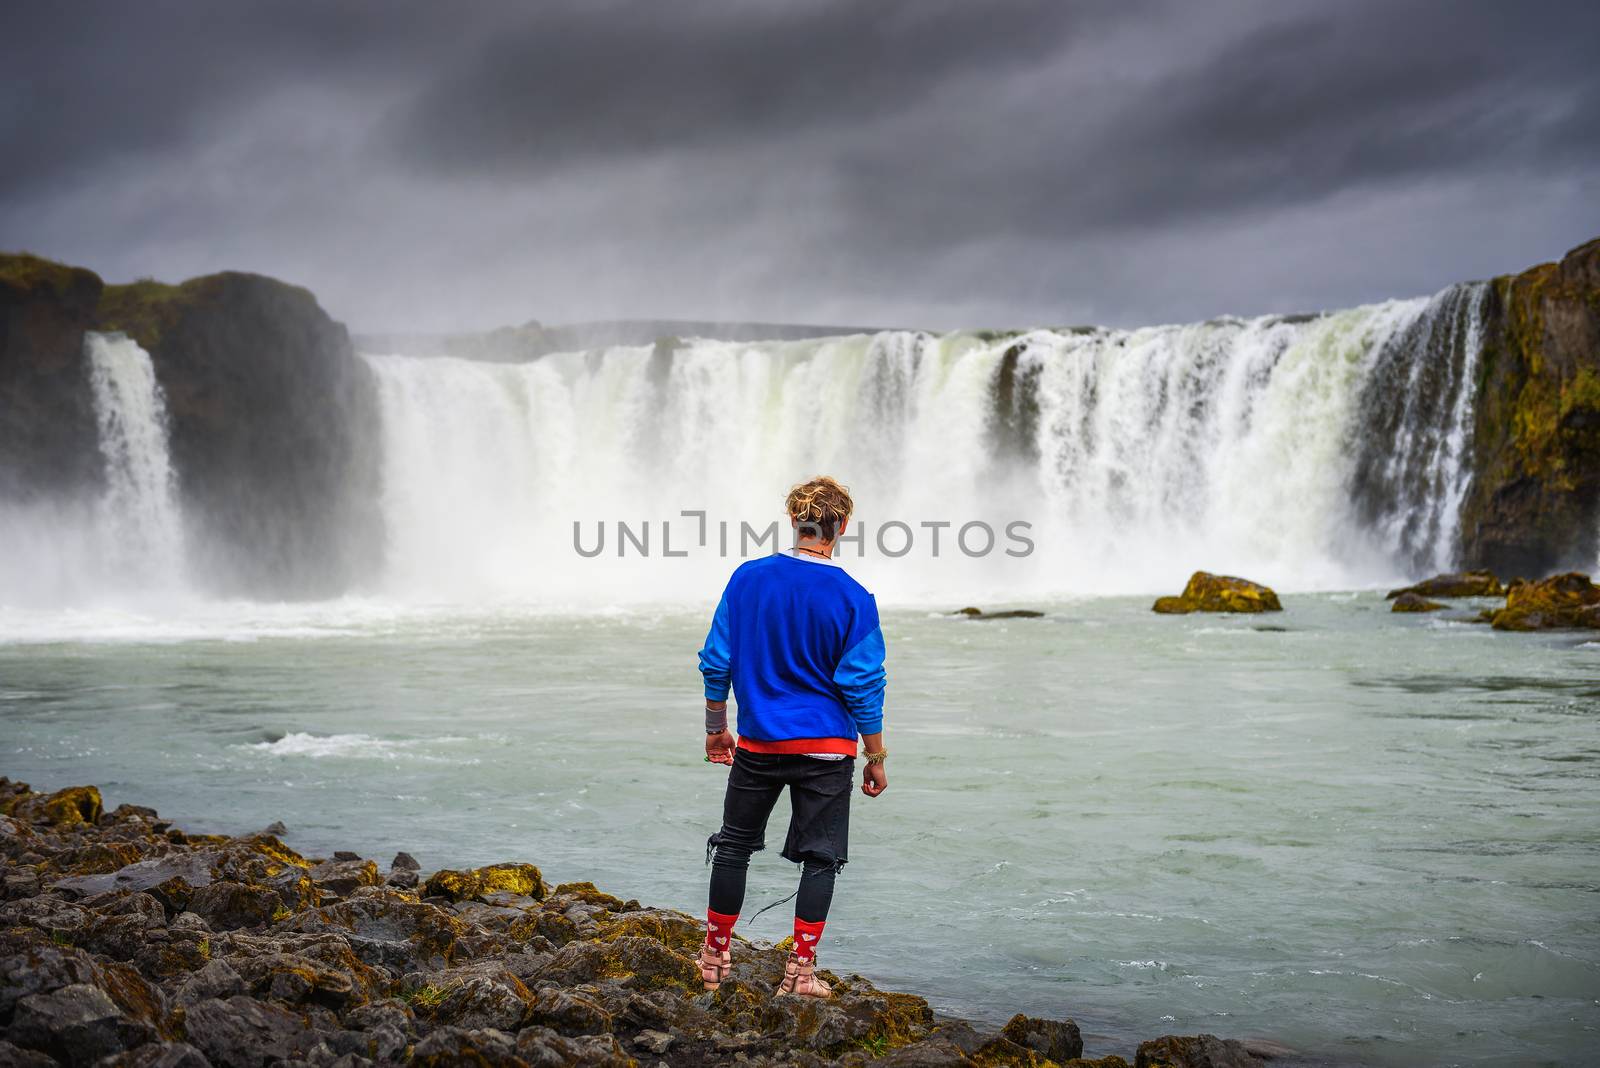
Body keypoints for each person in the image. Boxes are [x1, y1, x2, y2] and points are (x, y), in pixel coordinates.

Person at [697, 475, 889, 998]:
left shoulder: (747, 579)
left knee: (734, 846)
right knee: (822, 859)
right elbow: (863, 684)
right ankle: (800, 973)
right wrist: (876, 755)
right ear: (841, 527)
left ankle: (714, 957)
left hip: (758, 743)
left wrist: (718, 728)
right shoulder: (855, 597)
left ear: (794, 521)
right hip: (827, 750)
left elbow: (717, 659)